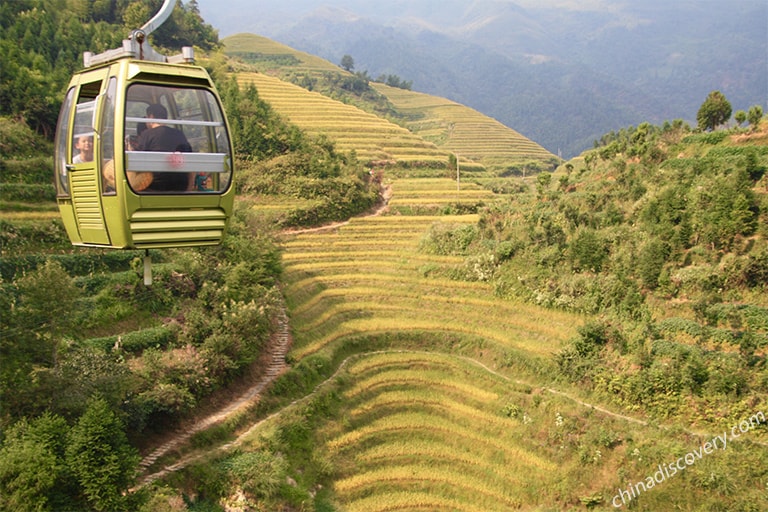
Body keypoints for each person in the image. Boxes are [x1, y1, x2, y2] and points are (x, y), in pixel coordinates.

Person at [136, 104, 192, 191]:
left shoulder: (146, 134)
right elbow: (191, 160)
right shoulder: (179, 134)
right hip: (180, 185)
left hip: (155, 186)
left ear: (150, 117)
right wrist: (189, 189)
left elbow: (137, 161)